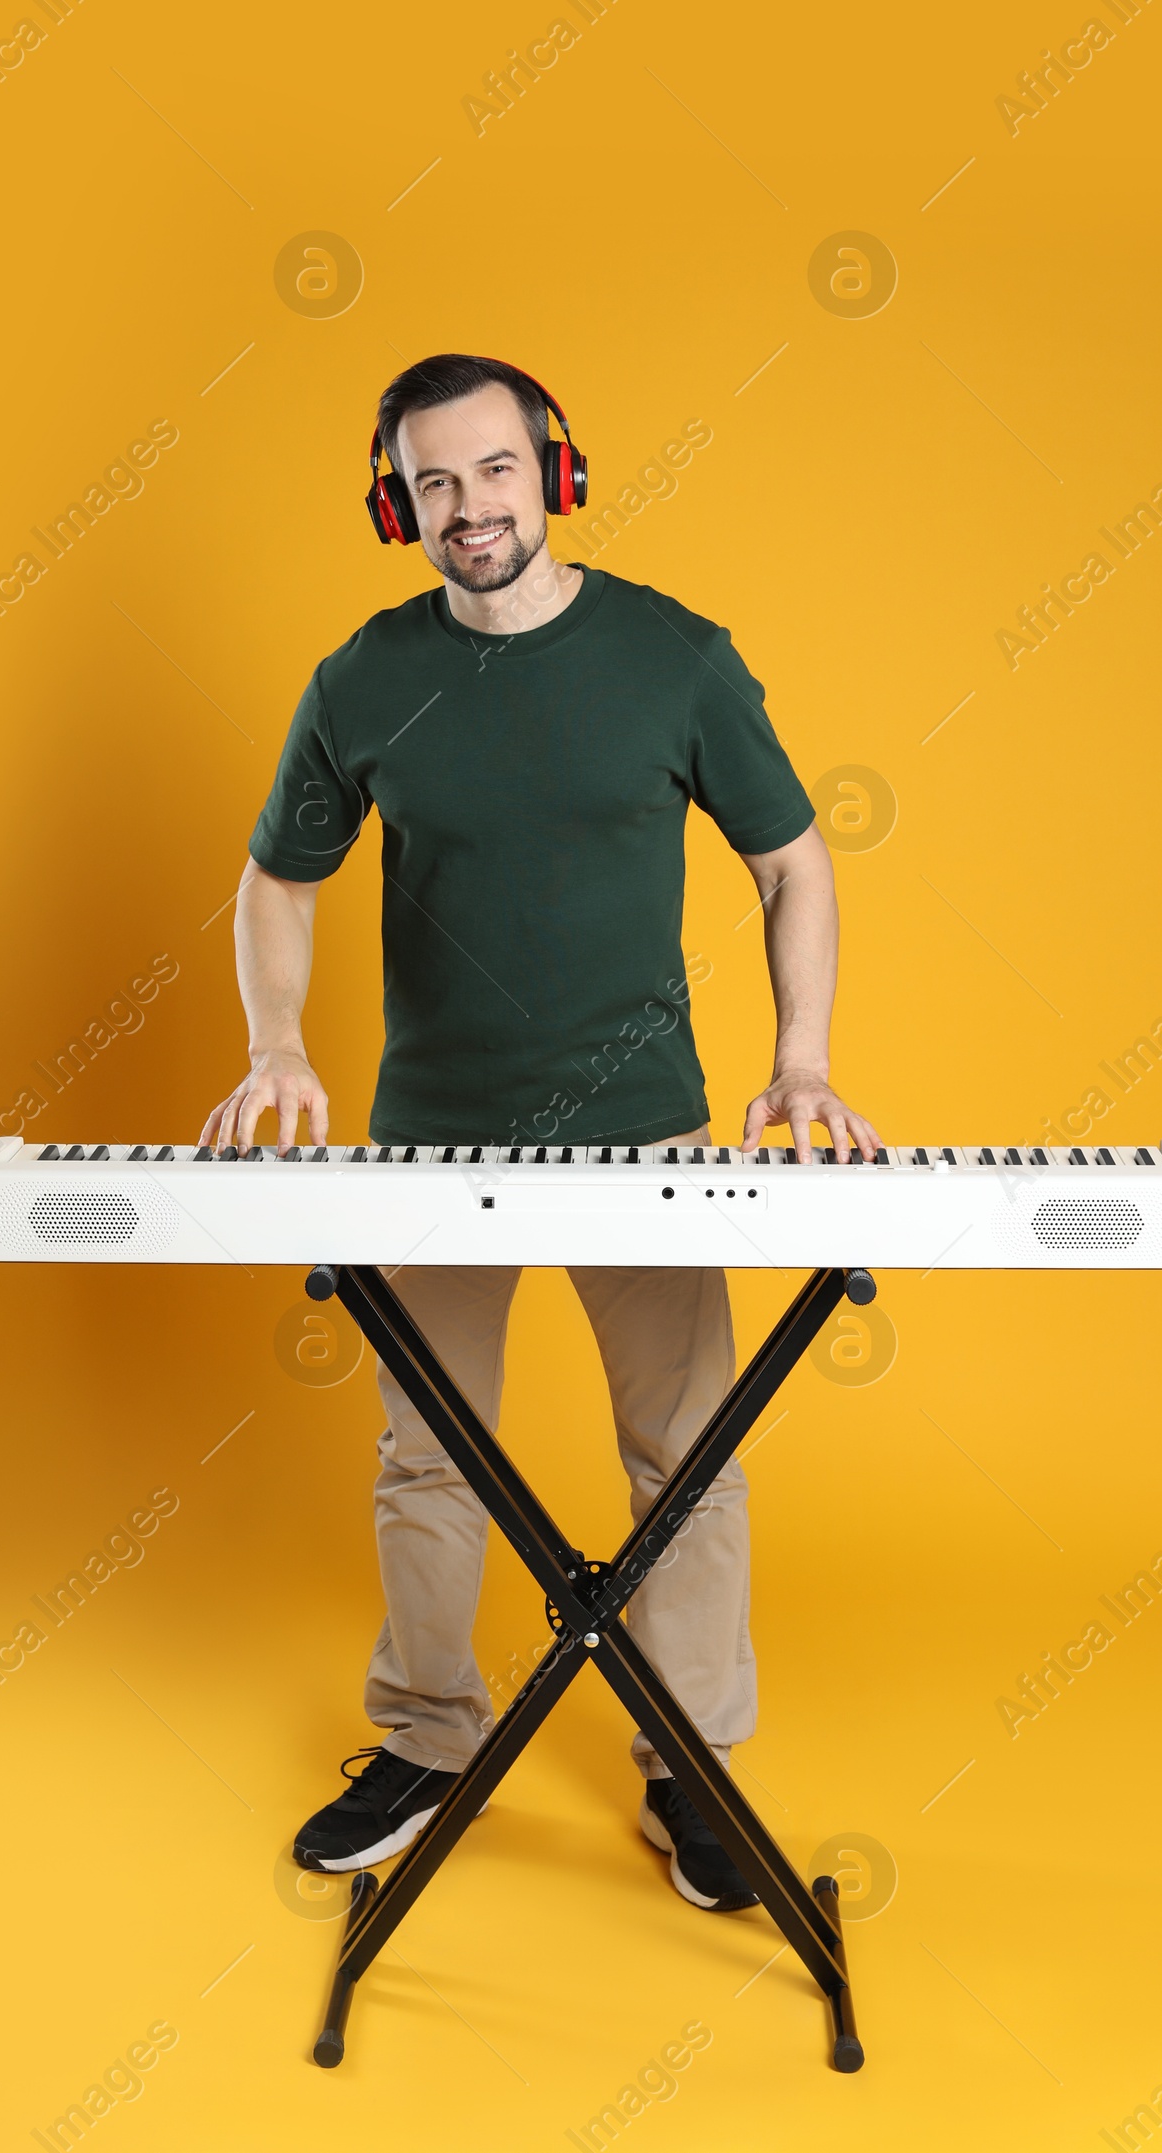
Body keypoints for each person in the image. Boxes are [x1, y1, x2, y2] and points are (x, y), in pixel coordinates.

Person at [200, 355, 880, 1912]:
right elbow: (275, 879)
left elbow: (792, 863)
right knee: (427, 1455)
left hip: (647, 1135)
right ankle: (430, 1741)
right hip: (432, 1141)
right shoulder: (364, 677)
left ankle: (688, 1766)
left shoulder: (676, 657)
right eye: (433, 482)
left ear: (553, 471)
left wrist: (806, 1058)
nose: (468, 507)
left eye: (494, 471)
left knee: (689, 1458)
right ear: (398, 503)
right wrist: (276, 1043)